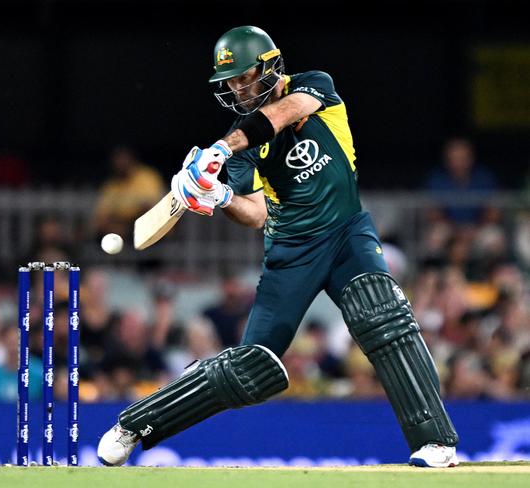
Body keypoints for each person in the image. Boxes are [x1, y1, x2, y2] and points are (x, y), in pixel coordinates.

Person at [98, 26, 459, 468]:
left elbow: (287, 112)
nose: (236, 89)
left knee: (381, 312)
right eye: (228, 83)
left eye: (243, 77)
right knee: (251, 368)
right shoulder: (241, 146)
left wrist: (219, 149)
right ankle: (134, 423)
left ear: (271, 67)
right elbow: (257, 213)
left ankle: (435, 442)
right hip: (291, 251)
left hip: (347, 231)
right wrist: (220, 196)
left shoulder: (313, 86)